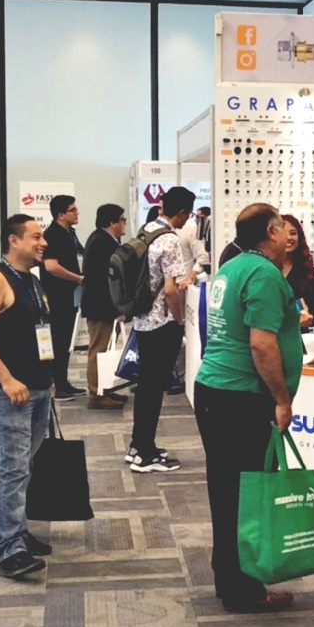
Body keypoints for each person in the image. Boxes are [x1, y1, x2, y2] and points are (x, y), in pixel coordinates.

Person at [193, 203, 300, 614]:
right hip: (241, 396)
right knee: (247, 495)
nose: (288, 235)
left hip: (215, 390)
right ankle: (244, 589)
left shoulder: (232, 267)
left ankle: (229, 578)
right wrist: (282, 399)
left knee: (226, 491)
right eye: (283, 228)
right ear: (271, 232)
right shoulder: (264, 274)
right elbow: (261, 344)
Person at [0, 214, 57, 579]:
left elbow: (39, 332)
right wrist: (5, 379)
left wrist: (48, 379)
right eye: (36, 236)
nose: (43, 242)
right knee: (13, 469)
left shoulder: (31, 279)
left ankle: (17, 530)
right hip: (9, 394)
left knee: (25, 466)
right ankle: (9, 547)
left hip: (37, 388)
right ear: (13, 240)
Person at [127, 185, 196, 473]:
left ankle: (138, 445)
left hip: (142, 319)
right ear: (181, 212)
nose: (187, 219)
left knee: (146, 386)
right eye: (187, 214)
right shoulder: (170, 240)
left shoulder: (146, 231)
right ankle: (145, 454)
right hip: (161, 323)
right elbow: (170, 290)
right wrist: (179, 319)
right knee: (154, 389)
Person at [81, 203, 128, 410]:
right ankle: (96, 393)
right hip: (100, 306)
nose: (124, 223)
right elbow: (103, 280)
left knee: (105, 349)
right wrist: (116, 308)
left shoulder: (105, 240)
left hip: (103, 305)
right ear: (112, 222)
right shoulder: (101, 242)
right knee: (99, 350)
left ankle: (104, 388)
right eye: (122, 219)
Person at [41, 194, 87, 400]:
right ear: (61, 214)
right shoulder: (53, 235)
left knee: (66, 341)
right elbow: (51, 266)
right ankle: (56, 385)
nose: (77, 213)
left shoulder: (70, 234)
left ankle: (63, 381)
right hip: (56, 296)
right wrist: (77, 278)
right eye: (73, 210)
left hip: (70, 296)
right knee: (58, 341)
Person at [280, 214, 314, 330]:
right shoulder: (264, 268)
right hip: (268, 335)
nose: (289, 237)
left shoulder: (307, 271)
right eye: (283, 233)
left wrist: (308, 319)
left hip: (298, 336)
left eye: (293, 233)